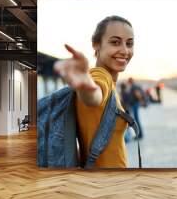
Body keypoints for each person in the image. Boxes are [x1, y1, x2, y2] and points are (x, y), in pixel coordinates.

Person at [53, 15, 134, 168]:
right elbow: (95, 95)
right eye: (115, 42)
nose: (124, 50)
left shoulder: (108, 80)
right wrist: (86, 86)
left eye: (129, 43)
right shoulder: (100, 76)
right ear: (96, 45)